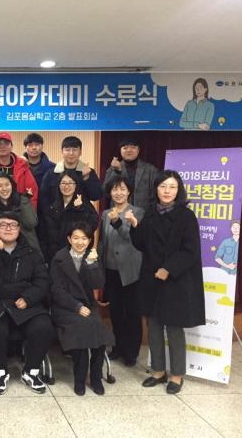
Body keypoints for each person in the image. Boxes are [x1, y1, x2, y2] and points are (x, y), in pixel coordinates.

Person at [129, 170, 205, 394]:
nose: (167, 191)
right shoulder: (151, 213)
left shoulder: (186, 216)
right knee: (153, 326)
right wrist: (134, 226)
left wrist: (168, 269)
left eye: (172, 187)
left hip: (175, 281)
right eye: (163, 186)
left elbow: (190, 251)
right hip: (151, 279)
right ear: (156, 189)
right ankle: (158, 371)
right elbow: (141, 244)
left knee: (173, 328)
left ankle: (177, 375)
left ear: (178, 190)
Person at [0, 212, 51, 395]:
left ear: (19, 229)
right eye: (3, 224)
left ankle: (31, 372)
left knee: (43, 325)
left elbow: (42, 281)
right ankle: (0, 373)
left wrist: (29, 298)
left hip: (23, 301)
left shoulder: (31, 252)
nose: (8, 228)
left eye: (13, 225)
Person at [50, 222, 114, 396]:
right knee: (82, 331)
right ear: (69, 239)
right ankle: (79, 379)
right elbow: (56, 290)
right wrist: (76, 306)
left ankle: (95, 376)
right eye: (76, 238)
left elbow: (98, 284)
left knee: (100, 334)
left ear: (90, 240)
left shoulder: (91, 257)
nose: (80, 242)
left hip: (88, 305)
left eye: (84, 238)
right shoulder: (59, 258)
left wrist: (92, 264)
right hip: (65, 307)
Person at [98, 176, 144, 366]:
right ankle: (118, 347)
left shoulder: (137, 212)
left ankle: (131, 352)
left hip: (130, 270)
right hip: (111, 269)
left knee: (132, 313)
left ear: (129, 191)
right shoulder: (105, 213)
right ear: (110, 193)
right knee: (115, 312)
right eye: (115, 189)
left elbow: (130, 237)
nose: (118, 193)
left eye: (122, 189)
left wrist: (118, 222)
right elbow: (103, 241)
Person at [40, 170, 98, 263]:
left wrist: (79, 209)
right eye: (63, 183)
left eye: (70, 183)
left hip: (77, 256)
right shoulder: (51, 208)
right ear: (58, 186)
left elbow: (92, 225)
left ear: (76, 186)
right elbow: (44, 235)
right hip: (54, 257)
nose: (66, 186)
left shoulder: (84, 205)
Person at [39, 135, 102, 214]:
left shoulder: (88, 172)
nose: (71, 153)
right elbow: (43, 199)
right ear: (62, 151)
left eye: (75, 150)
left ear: (80, 152)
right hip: (56, 217)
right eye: (67, 150)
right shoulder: (51, 173)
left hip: (81, 216)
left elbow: (96, 196)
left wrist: (86, 178)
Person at [0, 173, 40, 253]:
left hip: (27, 249)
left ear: (12, 186)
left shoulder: (23, 200)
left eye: (7, 185)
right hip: (2, 250)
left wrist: (24, 201)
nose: (4, 189)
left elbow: (31, 223)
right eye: (0, 186)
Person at [102, 137, 158, 212]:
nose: (129, 150)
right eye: (125, 148)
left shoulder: (150, 169)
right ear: (120, 150)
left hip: (144, 213)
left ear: (138, 150)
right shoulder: (112, 169)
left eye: (133, 147)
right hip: (119, 214)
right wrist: (117, 172)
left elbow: (155, 194)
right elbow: (105, 192)